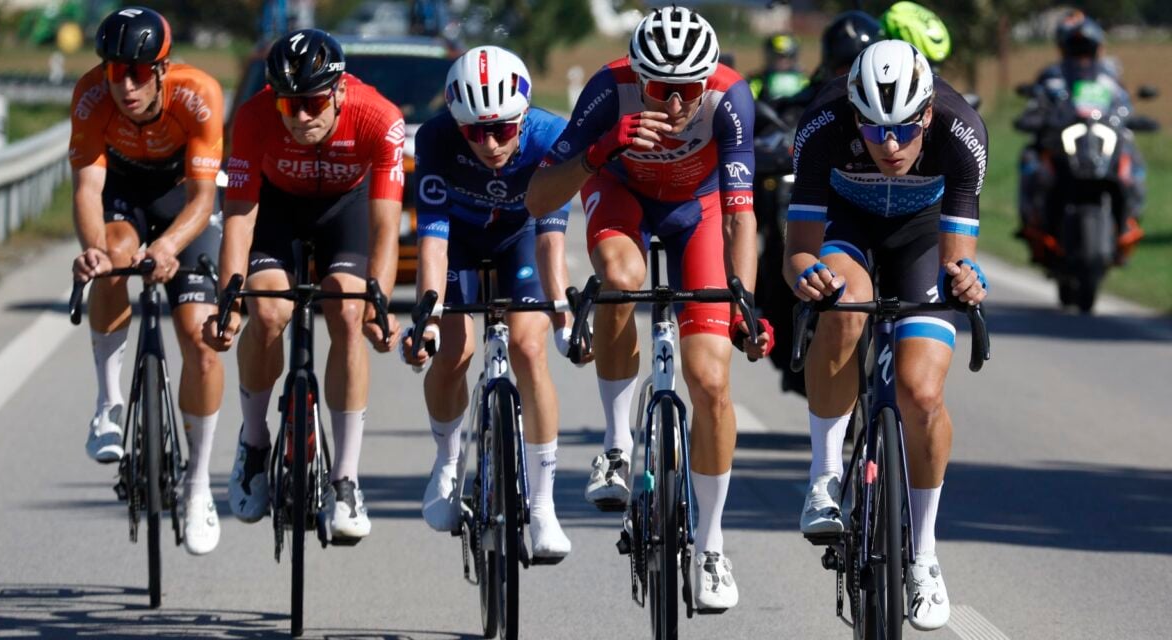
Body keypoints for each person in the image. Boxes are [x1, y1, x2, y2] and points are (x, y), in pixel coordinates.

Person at [526, 5, 773, 612]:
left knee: (711, 380)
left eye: (690, 88)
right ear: (640, 77)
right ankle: (616, 446)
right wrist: (602, 149)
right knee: (619, 276)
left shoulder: (729, 98)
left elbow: (742, 215)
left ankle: (712, 547)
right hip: (622, 195)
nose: (677, 103)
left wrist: (743, 302)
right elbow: (538, 197)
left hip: (699, 208)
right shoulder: (608, 91)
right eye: (662, 89)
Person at [785, 40, 989, 631]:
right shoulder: (822, 125)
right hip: (848, 227)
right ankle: (825, 477)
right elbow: (797, 251)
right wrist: (806, 279)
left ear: (926, 113)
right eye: (873, 130)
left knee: (921, 393)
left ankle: (924, 555)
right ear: (854, 115)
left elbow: (958, 262)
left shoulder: (961, 132)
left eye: (902, 129)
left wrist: (969, 284)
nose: (889, 145)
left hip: (923, 236)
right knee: (842, 306)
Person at [203, 28, 404, 544]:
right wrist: (230, 300)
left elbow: (385, 225)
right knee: (267, 312)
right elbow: (240, 216)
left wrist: (377, 301)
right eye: (289, 106)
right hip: (278, 210)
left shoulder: (379, 117)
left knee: (346, 313)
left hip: (346, 210)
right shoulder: (253, 117)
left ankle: (346, 480)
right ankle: (252, 442)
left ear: (337, 92)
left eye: (313, 103)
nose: (301, 117)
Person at [400, 46, 577, 561]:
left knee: (528, 347)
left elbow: (551, 242)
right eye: (477, 132)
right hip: (459, 238)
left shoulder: (550, 137)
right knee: (453, 351)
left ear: (523, 115)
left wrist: (563, 317)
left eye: (502, 128)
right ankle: (448, 461)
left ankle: (543, 506)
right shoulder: (434, 138)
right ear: (459, 125)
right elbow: (431, 243)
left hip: (520, 238)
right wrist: (426, 322)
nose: (492, 143)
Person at [70, 6, 225, 556]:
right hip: (124, 196)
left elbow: (205, 200)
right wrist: (92, 253)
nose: (127, 85)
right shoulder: (90, 97)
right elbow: (88, 189)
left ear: (162, 70)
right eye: (117, 72)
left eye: (139, 73)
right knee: (110, 257)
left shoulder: (197, 93)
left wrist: (169, 246)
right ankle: (109, 404)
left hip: (184, 198)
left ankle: (199, 484)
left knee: (202, 339)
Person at [1016, 11, 1146, 262]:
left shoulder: (1109, 78)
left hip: (1099, 144)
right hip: (1062, 144)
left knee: (1131, 156)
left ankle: (1129, 221)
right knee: (1031, 158)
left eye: (1086, 48)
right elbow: (1036, 105)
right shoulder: (1052, 77)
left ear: (1098, 48)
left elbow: (1123, 106)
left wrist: (1135, 118)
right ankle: (1032, 219)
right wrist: (1035, 118)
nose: (1082, 55)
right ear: (1064, 49)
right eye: (1076, 48)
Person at [749, 33, 809, 104]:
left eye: (786, 56)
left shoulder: (804, 82)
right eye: (777, 57)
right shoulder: (757, 82)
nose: (782, 61)